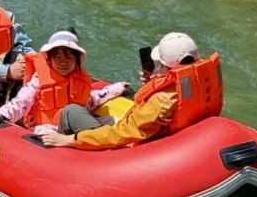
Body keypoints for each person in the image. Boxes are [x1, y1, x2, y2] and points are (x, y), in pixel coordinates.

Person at [40, 31, 210, 150]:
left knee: (70, 112)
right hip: (153, 128)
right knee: (127, 95)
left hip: (128, 146)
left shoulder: (162, 101)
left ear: (166, 65)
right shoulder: (196, 81)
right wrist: (155, 82)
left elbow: (121, 134)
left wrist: (70, 139)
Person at [0, 30, 129, 132]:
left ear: (76, 60)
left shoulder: (80, 79)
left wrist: (116, 89)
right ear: (50, 59)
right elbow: (22, 102)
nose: (63, 63)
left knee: (116, 122)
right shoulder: (39, 80)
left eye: (68, 57)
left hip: (73, 126)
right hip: (46, 128)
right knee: (58, 125)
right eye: (58, 57)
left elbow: (91, 100)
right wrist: (2, 116)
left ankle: (110, 137)